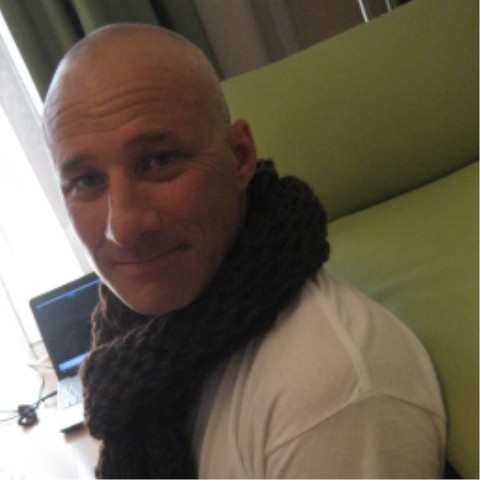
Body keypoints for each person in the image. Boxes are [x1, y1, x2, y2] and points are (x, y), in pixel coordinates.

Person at [43, 24, 446, 479]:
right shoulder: (139, 347)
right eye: (86, 181)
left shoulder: (330, 401)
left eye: (159, 161)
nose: (123, 229)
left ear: (238, 157)